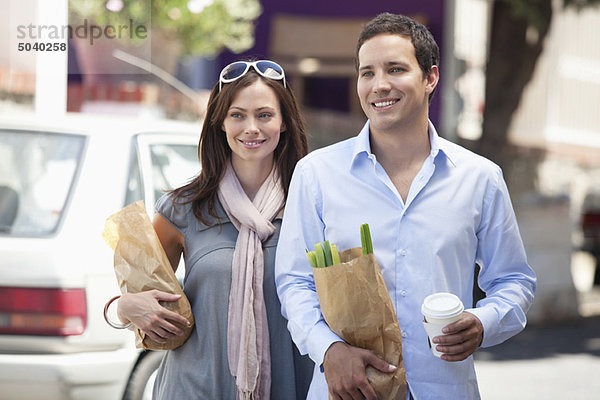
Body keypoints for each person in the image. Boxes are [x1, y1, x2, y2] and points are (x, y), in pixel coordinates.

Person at [274, 13, 536, 400]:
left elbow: (514, 281)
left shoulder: (480, 178)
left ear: (430, 77)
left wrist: (483, 321)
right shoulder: (317, 174)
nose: (379, 85)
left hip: (444, 388)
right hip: (349, 389)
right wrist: (328, 349)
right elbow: (294, 281)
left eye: (395, 69)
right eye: (367, 73)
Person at [114, 59, 313, 399]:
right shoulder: (184, 207)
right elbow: (139, 295)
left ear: (284, 123)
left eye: (264, 115)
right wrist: (122, 307)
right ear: (221, 123)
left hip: (291, 386)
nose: (251, 127)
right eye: (238, 115)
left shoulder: (310, 203)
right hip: (194, 387)